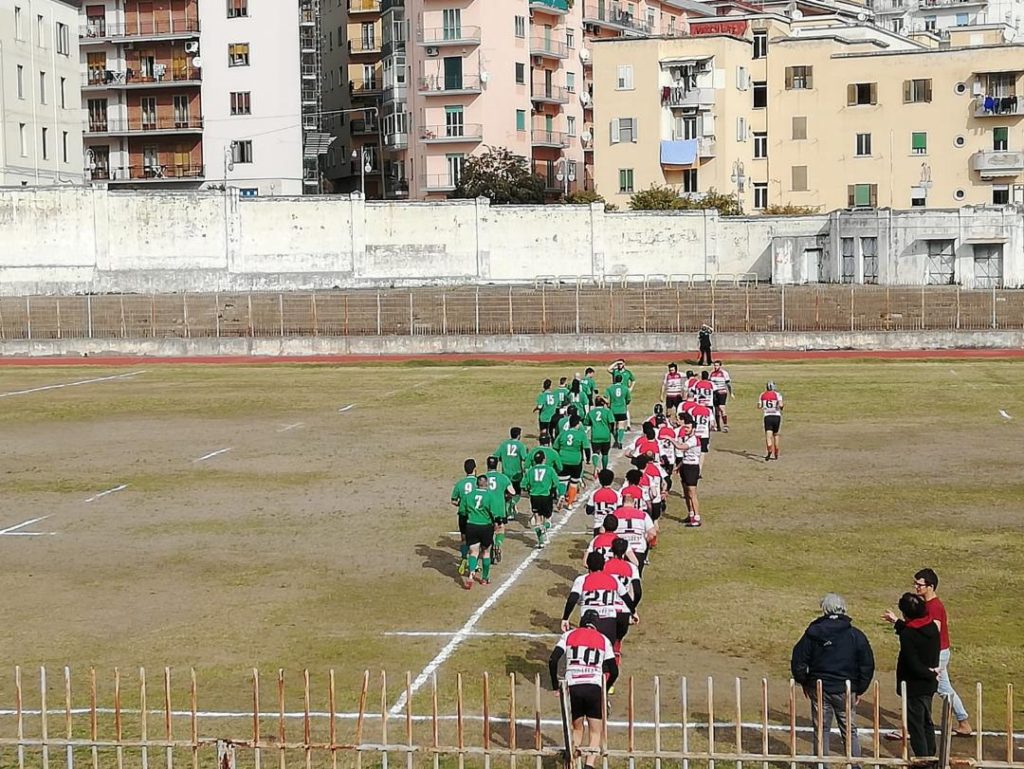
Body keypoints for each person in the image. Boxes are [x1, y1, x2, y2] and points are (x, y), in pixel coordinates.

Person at [884, 569, 973, 737]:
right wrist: (897, 622)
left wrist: (903, 627)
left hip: (936, 654)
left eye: (920, 585)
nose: (916, 587)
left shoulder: (934, 607)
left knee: (925, 689)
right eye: (915, 584)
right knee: (942, 688)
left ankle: (911, 728)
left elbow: (931, 633)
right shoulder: (927, 605)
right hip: (936, 653)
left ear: (930, 586)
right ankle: (963, 721)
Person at [791, 594, 875, 767]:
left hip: (820, 688)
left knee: (821, 729)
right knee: (849, 729)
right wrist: (859, 688)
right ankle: (855, 765)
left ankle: (821, 765)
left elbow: (798, 660)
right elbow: (867, 664)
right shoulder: (855, 635)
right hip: (845, 689)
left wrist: (805, 681)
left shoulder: (813, 633)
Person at [548, 610, 618, 769]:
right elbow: (614, 671)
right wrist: (605, 689)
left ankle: (570, 764)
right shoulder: (603, 639)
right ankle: (589, 766)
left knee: (577, 729)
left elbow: (553, 660)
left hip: (573, 686)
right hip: (593, 687)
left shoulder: (569, 635)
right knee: (595, 731)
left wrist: (555, 686)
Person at [888, 592, 940, 760]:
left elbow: (913, 663)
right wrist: (897, 622)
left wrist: (930, 673)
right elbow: (912, 630)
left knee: (916, 725)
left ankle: (923, 759)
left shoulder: (909, 635)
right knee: (926, 722)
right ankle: (930, 756)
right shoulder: (931, 627)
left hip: (914, 684)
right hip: (928, 684)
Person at [561, 552, 635, 644]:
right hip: (608, 623)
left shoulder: (582, 580)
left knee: (588, 646)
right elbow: (626, 597)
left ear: (588, 565)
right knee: (607, 649)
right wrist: (633, 612)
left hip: (588, 621)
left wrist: (565, 618)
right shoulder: (613, 579)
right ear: (603, 565)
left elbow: (572, 599)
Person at [458, 475, 499, 589]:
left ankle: (471, 574)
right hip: (485, 526)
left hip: (471, 526)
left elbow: (462, 512)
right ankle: (485, 578)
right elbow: (495, 513)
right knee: (485, 552)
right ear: (487, 483)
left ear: (476, 484)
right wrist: (496, 524)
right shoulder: (490, 495)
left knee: (473, 552)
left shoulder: (468, 495)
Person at [524, 450, 562, 548]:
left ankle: (541, 541)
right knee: (548, 519)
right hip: (546, 496)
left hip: (534, 497)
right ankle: (544, 528)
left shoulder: (531, 471)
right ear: (544, 459)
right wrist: (554, 490)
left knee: (537, 519)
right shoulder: (549, 469)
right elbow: (557, 483)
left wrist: (529, 488)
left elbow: (523, 484)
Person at [554, 414, 591, 505]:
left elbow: (555, 447)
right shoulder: (581, 434)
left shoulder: (563, 434)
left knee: (563, 480)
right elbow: (586, 448)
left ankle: (561, 495)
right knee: (574, 483)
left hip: (563, 460)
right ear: (577, 424)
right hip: (576, 461)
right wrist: (588, 459)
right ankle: (570, 503)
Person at [484, 456, 514, 565]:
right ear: (497, 465)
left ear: (487, 465)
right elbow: (512, 492)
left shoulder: (483, 478)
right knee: (500, 529)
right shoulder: (503, 477)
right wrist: (507, 497)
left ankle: (490, 551)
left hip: (486, 510)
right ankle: (498, 543)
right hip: (500, 508)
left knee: (489, 530)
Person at [450, 458, 477, 575]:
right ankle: (474, 564)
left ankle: (464, 557)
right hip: (474, 514)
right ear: (475, 469)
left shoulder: (460, 484)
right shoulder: (478, 483)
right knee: (475, 541)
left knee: (464, 538)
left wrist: (461, 505)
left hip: (462, 514)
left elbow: (453, 500)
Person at [677, 416, 703, 527]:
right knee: (686, 493)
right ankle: (690, 514)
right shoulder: (688, 438)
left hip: (692, 468)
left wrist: (670, 439)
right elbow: (685, 455)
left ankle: (697, 517)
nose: (685, 429)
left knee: (692, 493)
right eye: (685, 427)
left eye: (688, 427)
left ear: (693, 429)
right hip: (685, 466)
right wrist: (679, 466)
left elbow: (681, 447)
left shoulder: (693, 440)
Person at [496, 428, 528, 517]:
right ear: (519, 435)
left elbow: (496, 456)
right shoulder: (520, 445)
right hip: (516, 474)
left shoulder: (503, 444)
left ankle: (508, 512)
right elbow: (525, 458)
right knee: (517, 493)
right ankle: (513, 503)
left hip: (505, 474)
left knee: (507, 494)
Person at [584, 396, 616, 472]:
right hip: (606, 435)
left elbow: (586, 423)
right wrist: (611, 431)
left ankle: (595, 468)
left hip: (595, 435)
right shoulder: (607, 411)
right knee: (605, 453)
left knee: (595, 452)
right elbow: (612, 422)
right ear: (603, 403)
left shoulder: (591, 412)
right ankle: (604, 469)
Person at [585, 469, 621, 535]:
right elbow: (619, 511)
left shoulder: (594, 493)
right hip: (613, 526)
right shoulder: (617, 494)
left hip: (598, 525)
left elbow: (588, 510)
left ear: (600, 480)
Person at [758, 381, 784, 461]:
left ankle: (769, 449)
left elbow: (759, 406)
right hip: (777, 416)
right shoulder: (777, 394)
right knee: (776, 435)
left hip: (767, 416)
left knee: (768, 436)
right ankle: (776, 453)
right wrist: (781, 408)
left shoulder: (762, 395)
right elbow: (781, 405)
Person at [605, 375, 631, 449]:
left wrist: (608, 404)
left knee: (613, 427)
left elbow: (606, 398)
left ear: (614, 380)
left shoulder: (610, 388)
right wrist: (625, 403)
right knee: (621, 426)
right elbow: (628, 399)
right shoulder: (625, 388)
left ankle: (616, 440)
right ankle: (620, 441)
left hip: (613, 410)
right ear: (621, 380)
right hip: (622, 409)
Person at [709, 360, 733, 432]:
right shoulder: (711, 373)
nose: (715, 367)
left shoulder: (724, 373)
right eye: (714, 365)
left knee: (722, 408)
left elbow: (728, 384)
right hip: (715, 394)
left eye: (717, 365)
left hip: (722, 393)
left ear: (720, 366)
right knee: (716, 410)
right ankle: (718, 426)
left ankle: (725, 425)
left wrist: (731, 393)